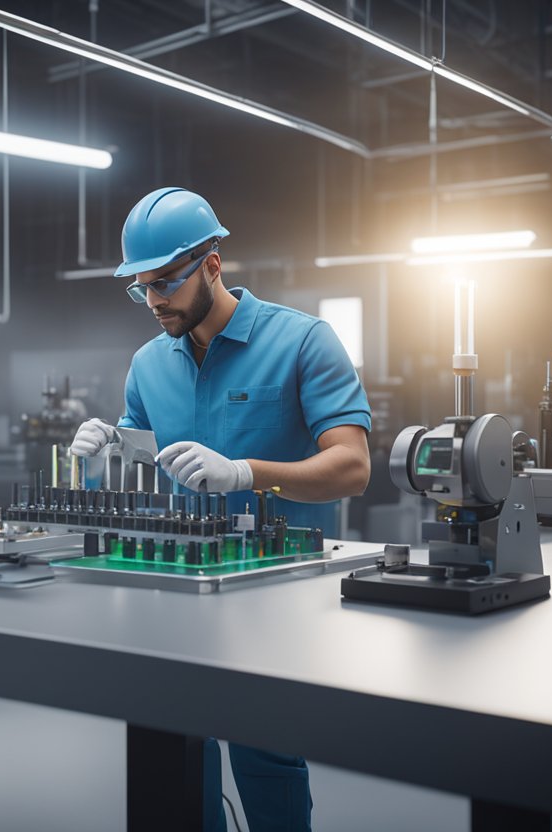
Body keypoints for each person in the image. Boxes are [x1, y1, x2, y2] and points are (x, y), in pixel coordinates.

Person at [69, 187, 372, 832]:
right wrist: (104, 453)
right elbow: (144, 454)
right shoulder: (148, 364)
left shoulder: (303, 342)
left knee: (266, 756)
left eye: (166, 282)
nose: (153, 301)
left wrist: (245, 474)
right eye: (140, 287)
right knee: (175, 749)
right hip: (180, 588)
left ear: (213, 264)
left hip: (278, 590)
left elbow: (352, 466)